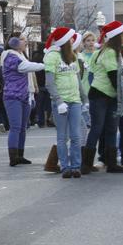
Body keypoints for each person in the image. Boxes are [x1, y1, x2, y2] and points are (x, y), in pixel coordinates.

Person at [83, 21, 123, 174]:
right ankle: (86, 164)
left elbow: (120, 73)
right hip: (101, 95)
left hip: (109, 95)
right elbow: (112, 76)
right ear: (116, 36)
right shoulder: (109, 52)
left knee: (111, 128)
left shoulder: (109, 51)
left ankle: (111, 163)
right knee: (97, 128)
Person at [43, 28, 86, 178]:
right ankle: (65, 167)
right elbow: (49, 83)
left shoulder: (73, 56)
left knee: (76, 136)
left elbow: (78, 80)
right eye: (71, 39)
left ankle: (76, 166)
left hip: (75, 101)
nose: (73, 41)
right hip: (60, 103)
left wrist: (84, 99)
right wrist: (59, 101)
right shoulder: (52, 57)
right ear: (65, 41)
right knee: (62, 137)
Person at [1, 36, 43, 166]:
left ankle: (20, 154)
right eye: (22, 40)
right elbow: (24, 67)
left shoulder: (21, 55)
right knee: (16, 127)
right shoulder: (9, 56)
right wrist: (44, 65)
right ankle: (13, 157)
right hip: (13, 96)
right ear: (14, 43)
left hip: (24, 95)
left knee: (23, 128)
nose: (25, 42)